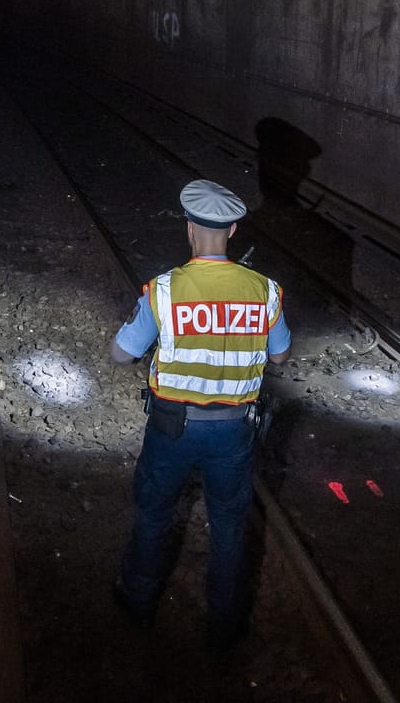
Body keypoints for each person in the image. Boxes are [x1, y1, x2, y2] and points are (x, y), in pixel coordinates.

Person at [109, 179, 290, 648]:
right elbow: (281, 355)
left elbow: (121, 354)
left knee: (153, 515)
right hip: (234, 433)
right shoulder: (266, 291)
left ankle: (138, 602)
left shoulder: (164, 290)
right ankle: (225, 625)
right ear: (232, 229)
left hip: (172, 427)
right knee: (229, 525)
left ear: (190, 227)